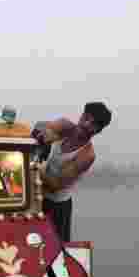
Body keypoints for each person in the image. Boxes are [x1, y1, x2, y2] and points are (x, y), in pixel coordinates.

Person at [31, 102, 112, 242]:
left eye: (93, 124)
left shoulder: (87, 155)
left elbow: (55, 185)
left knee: (55, 249)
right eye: (86, 118)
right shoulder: (64, 125)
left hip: (57, 205)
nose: (86, 124)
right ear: (81, 115)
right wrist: (43, 138)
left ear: (98, 130)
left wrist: (33, 165)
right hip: (35, 191)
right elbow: (38, 134)